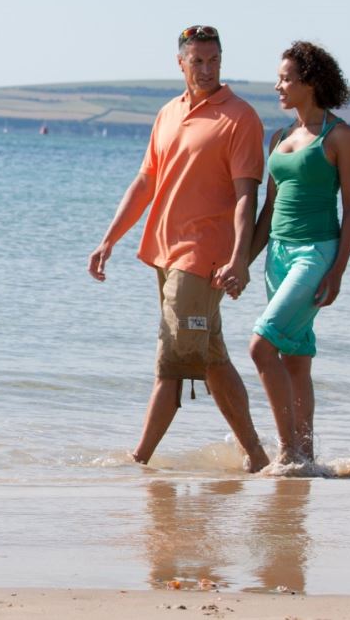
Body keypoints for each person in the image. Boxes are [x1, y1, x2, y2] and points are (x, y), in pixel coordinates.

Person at [87, 24, 272, 473]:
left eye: (214, 61)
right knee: (210, 359)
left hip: (203, 258)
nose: (207, 69)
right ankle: (260, 458)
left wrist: (238, 259)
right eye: (198, 61)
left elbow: (248, 194)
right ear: (181, 63)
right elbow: (147, 180)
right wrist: (110, 238)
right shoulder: (168, 113)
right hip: (165, 256)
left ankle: (138, 461)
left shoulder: (240, 118)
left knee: (171, 360)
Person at [248, 41, 350, 466]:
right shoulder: (279, 137)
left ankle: (285, 454)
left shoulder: (341, 137)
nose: (278, 86)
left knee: (261, 347)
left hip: (315, 254)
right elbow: (269, 209)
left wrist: (338, 270)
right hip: (276, 255)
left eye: (285, 79)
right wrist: (241, 263)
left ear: (309, 83)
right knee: (295, 359)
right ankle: (307, 458)